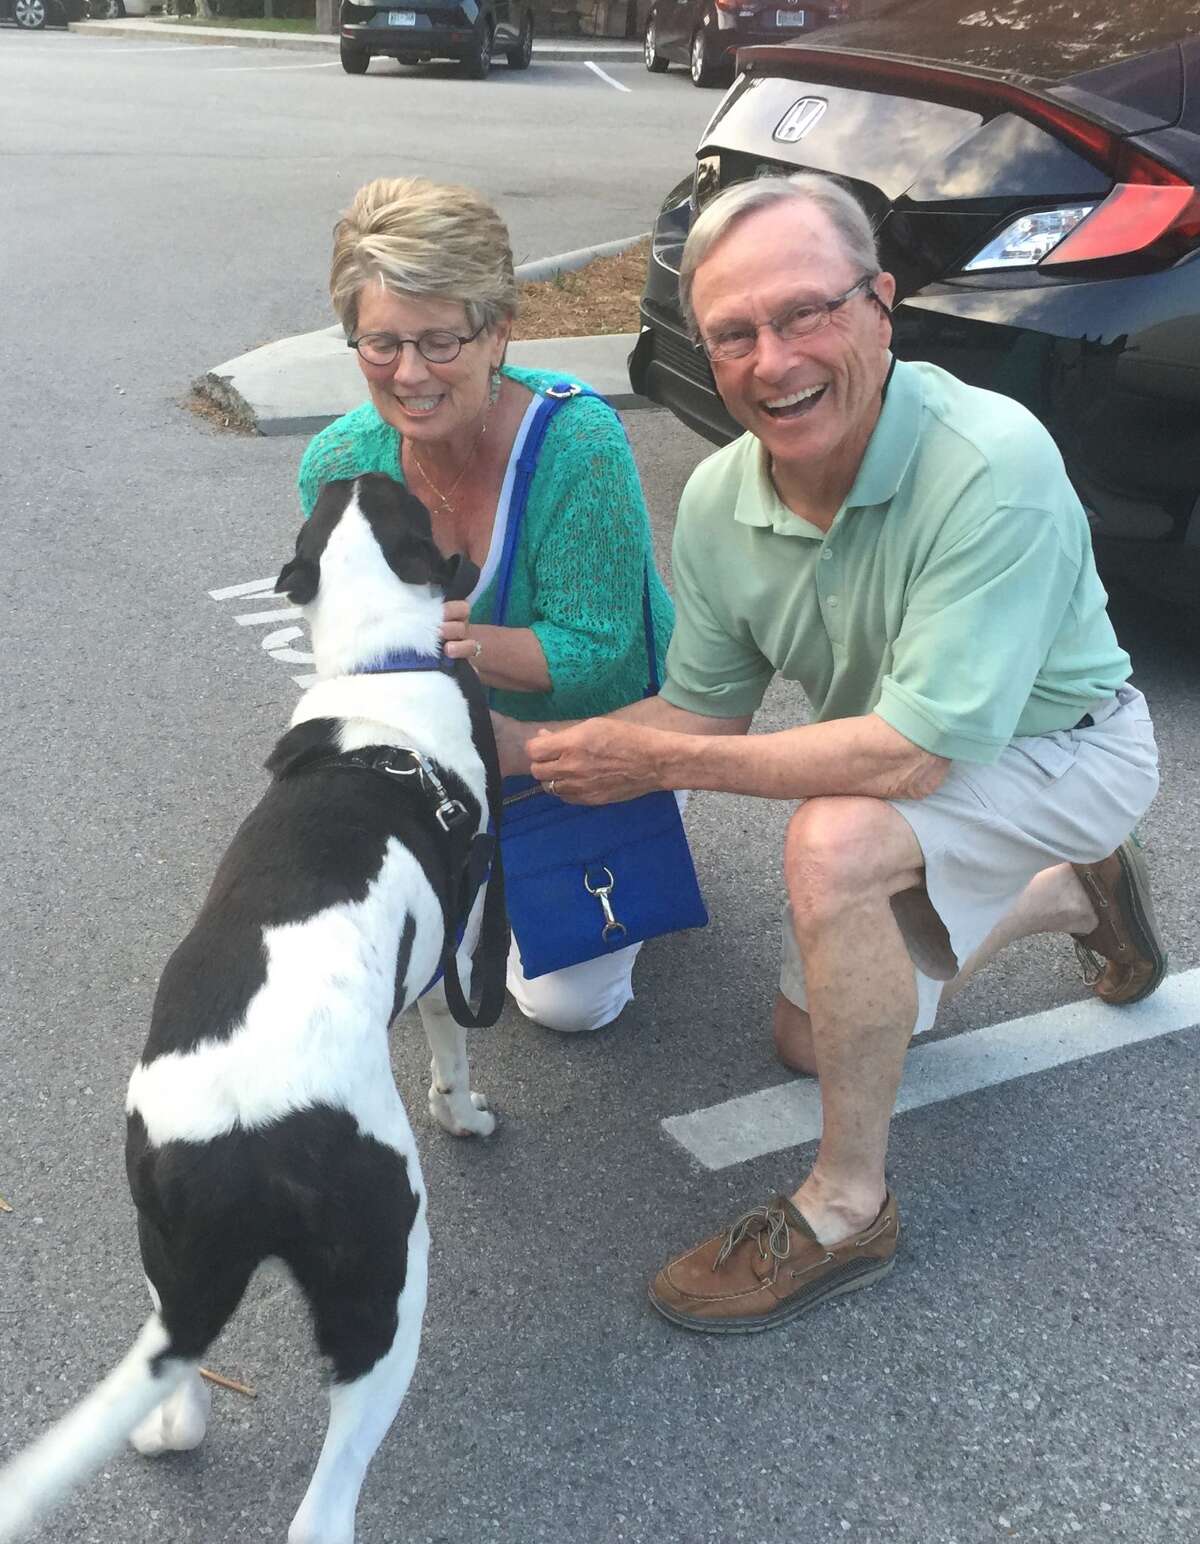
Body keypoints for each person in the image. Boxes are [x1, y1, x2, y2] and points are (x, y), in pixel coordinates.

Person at [499, 173, 1164, 1333]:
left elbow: (904, 760)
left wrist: (654, 764)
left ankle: (849, 1206)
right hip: (929, 764)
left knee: (838, 838)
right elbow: (702, 716)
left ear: (881, 307)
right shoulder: (716, 498)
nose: (775, 357)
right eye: (736, 333)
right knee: (812, 1040)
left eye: (808, 311)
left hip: (1070, 753)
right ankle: (1074, 897)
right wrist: (499, 750)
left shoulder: (991, 463)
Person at [297, 175, 674, 1034]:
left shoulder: (579, 441)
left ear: (498, 330)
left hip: (585, 733)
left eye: (440, 341)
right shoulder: (336, 466)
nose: (409, 373)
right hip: (449, 744)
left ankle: (657, 821)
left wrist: (450, 646)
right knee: (383, 945)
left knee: (565, 1006)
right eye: (380, 343)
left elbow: (599, 647)